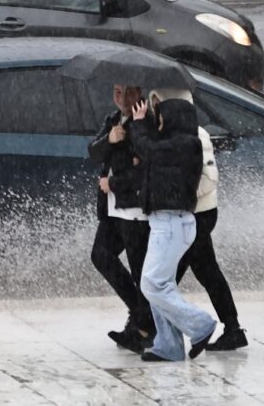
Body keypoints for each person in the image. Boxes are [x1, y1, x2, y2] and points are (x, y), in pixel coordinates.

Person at [150, 89, 247, 351]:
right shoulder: (165, 134)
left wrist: (180, 195)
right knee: (204, 271)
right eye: (155, 104)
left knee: (166, 276)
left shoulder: (197, 135)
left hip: (198, 215)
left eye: (161, 105)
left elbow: (209, 177)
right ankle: (232, 327)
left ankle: (155, 328)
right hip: (185, 215)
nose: (157, 110)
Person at [131, 98, 216, 362]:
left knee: (152, 284)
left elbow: (149, 148)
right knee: (160, 284)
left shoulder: (187, 144)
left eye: (161, 117)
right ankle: (169, 346)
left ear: (174, 118)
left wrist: (137, 124)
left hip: (172, 223)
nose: (159, 122)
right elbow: (151, 149)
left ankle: (200, 325)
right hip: (167, 223)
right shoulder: (174, 144)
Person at [88, 84, 155, 353]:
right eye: (117, 92)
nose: (123, 99)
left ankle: (143, 327)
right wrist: (110, 140)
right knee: (101, 255)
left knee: (141, 272)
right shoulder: (112, 120)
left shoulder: (146, 122)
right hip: (113, 209)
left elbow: (146, 168)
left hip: (135, 210)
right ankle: (141, 315)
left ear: (139, 92)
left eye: (128, 93)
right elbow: (93, 152)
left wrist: (113, 183)